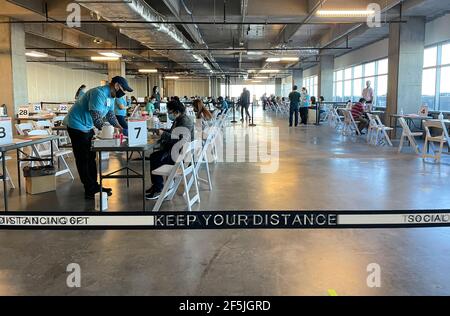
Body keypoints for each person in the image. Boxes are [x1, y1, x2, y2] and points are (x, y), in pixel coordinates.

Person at [64, 76, 133, 199]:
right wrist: (110, 131)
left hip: (87, 126)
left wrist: (120, 128)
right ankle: (89, 189)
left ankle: (94, 186)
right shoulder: (98, 93)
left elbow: (111, 116)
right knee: (83, 158)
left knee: (91, 157)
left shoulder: (111, 97)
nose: (124, 92)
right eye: (124, 89)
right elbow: (96, 118)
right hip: (76, 125)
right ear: (117, 85)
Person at [146, 100, 194, 200]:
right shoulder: (180, 119)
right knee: (155, 156)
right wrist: (162, 131)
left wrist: (163, 134)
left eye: (169, 112)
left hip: (181, 156)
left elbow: (177, 138)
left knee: (155, 158)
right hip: (179, 151)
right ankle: (156, 186)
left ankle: (158, 188)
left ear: (176, 112)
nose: (168, 114)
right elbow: (174, 133)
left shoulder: (184, 121)